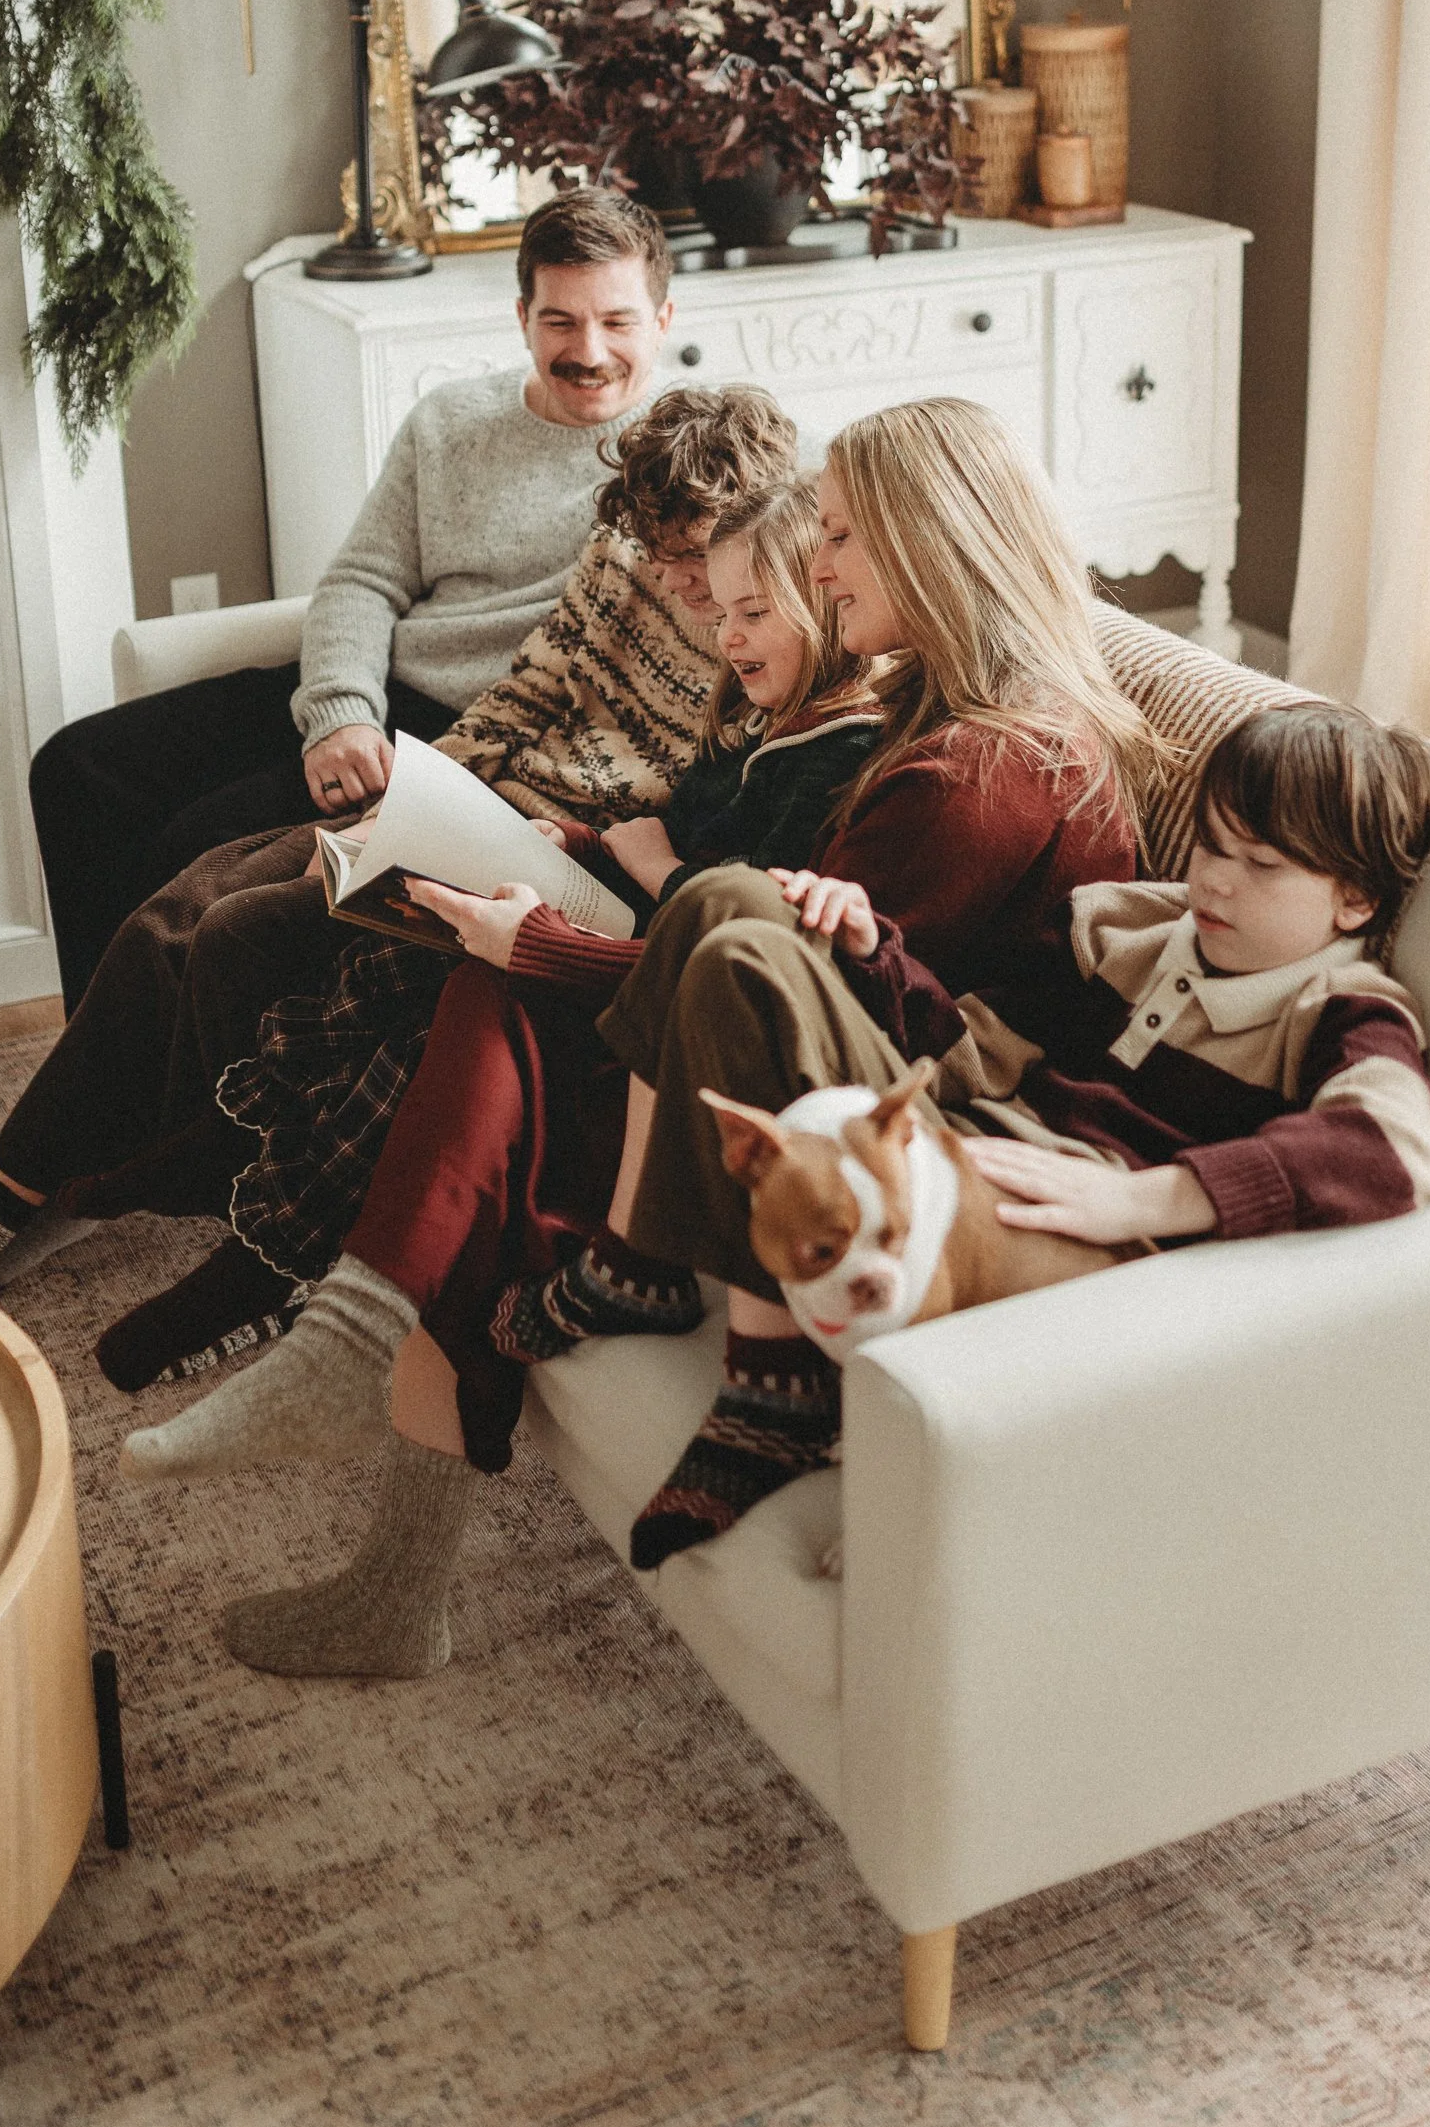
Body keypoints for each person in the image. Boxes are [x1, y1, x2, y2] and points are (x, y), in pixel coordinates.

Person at [134, 396, 1166, 1679]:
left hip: (899, 1122)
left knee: (515, 1005)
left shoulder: (978, 771)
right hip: (811, 1048)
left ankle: (375, 1400)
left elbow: (806, 997)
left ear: (921, 541)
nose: (822, 561)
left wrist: (550, 947)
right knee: (494, 991)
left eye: (838, 535)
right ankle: (359, 1370)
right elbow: (775, 956)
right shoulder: (936, 709)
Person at [0, 383, 795, 1356]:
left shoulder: (769, 628)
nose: (673, 580)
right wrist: (413, 799)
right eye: (657, 554)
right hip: (484, 804)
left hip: (566, 867)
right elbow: (531, 685)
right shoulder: (634, 560)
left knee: (245, 933)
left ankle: (237, 1220)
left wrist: (551, 838)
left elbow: (699, 830)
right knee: (180, 911)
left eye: (690, 557)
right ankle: (17, 1186)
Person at [118, 474, 883, 1505]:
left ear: (826, 603)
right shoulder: (753, 727)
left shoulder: (835, 757)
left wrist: (622, 887)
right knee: (388, 944)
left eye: (753, 612)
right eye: (714, 608)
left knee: (475, 987)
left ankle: (313, 1295)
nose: (725, 633)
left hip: (673, 1027)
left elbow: (731, 938)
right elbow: (683, 876)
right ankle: (298, 1268)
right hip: (629, 943)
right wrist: (568, 845)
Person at [598, 691, 1430, 1565]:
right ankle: (640, 1265)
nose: (1216, 879)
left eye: (1263, 864)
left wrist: (1144, 1199)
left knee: (738, 941)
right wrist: (869, 953)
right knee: (729, 904)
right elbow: (972, 1053)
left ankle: (772, 1398)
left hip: (1061, 1244)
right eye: (1211, 844)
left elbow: (1395, 1151)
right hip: (949, 1144)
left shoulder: (1345, 1013)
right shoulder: (1119, 925)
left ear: (1353, 900)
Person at [27, 187, 676, 1011]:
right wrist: (340, 712)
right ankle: (94, 1054)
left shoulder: (678, 459)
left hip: (463, 742)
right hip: (369, 694)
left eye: (617, 321)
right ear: (522, 317)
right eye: (561, 321)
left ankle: (148, 1084)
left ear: (662, 319)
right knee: (77, 769)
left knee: (189, 846)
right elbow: (363, 580)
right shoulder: (451, 420)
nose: (589, 350)